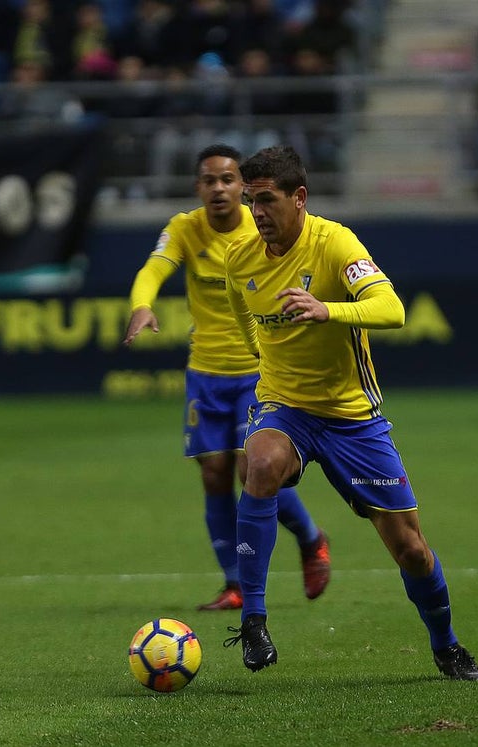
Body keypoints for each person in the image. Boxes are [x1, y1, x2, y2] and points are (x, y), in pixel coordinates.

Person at [221, 145, 478, 681]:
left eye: (267, 200)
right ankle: (253, 619)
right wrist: (265, 369)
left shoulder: (334, 242)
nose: (258, 213)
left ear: (299, 198)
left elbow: (392, 309)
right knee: (261, 463)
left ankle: (446, 644)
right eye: (250, 202)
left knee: (410, 549)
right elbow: (247, 322)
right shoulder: (241, 260)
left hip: (350, 418)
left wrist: (328, 309)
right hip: (285, 408)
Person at [123, 144, 331, 612]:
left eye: (228, 179)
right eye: (209, 180)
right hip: (205, 373)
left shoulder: (260, 232)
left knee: (248, 467)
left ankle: (312, 538)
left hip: (256, 371)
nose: (218, 188)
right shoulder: (184, 228)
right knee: (214, 474)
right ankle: (233, 583)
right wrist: (142, 304)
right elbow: (153, 269)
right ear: (198, 187)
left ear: (243, 187)